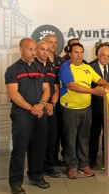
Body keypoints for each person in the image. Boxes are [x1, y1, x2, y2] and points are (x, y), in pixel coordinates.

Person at [58, 43, 109, 179]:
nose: (79, 55)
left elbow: (98, 79)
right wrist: (93, 91)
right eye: (76, 52)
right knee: (70, 139)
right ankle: (72, 166)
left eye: (81, 52)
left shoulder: (87, 67)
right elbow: (72, 86)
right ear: (70, 54)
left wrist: (106, 84)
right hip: (70, 108)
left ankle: (84, 165)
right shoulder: (65, 67)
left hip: (86, 108)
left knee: (84, 138)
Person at [5, 38, 50, 194]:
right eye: (30, 50)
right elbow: (13, 94)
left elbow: (46, 89)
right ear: (21, 50)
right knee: (19, 149)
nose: (34, 53)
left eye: (34, 49)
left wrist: (42, 104)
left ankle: (36, 176)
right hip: (22, 114)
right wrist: (33, 108)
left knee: (39, 146)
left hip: (39, 113)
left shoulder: (40, 68)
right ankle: (15, 183)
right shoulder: (13, 70)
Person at [89, 43, 109, 168]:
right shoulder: (90, 68)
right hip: (94, 108)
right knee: (94, 134)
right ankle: (92, 159)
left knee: (108, 136)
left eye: (108, 56)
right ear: (98, 55)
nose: (106, 58)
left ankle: (106, 158)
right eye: (103, 55)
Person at [35, 41, 60, 178]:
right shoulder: (33, 67)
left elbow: (56, 88)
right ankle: (37, 170)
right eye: (42, 49)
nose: (45, 52)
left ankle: (49, 166)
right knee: (39, 141)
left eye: (47, 50)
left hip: (51, 107)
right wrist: (45, 105)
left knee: (52, 139)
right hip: (38, 109)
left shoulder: (52, 68)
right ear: (36, 51)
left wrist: (53, 104)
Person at [44, 34, 66, 167]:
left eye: (55, 42)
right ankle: (44, 162)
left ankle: (54, 158)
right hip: (43, 100)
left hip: (59, 99)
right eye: (50, 42)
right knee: (44, 133)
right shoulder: (39, 60)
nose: (53, 45)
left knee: (56, 132)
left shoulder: (61, 61)